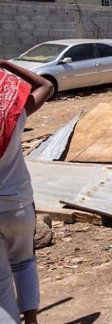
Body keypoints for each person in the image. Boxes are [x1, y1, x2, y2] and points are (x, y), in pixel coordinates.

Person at [0, 59, 53, 323]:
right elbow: (46, 85)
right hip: (18, 204)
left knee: (1, 285)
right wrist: (7, 65)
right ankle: (31, 319)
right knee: (24, 262)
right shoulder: (14, 116)